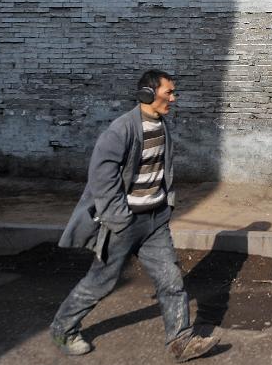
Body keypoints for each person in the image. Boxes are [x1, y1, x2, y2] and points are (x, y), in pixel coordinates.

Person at [50, 69, 219, 362]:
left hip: (155, 221)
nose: (174, 98)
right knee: (100, 281)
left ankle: (180, 341)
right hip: (125, 222)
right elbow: (102, 178)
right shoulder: (121, 130)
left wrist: (167, 205)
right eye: (169, 93)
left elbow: (164, 169)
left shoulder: (162, 126)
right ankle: (63, 328)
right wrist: (119, 218)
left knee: (171, 280)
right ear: (147, 94)